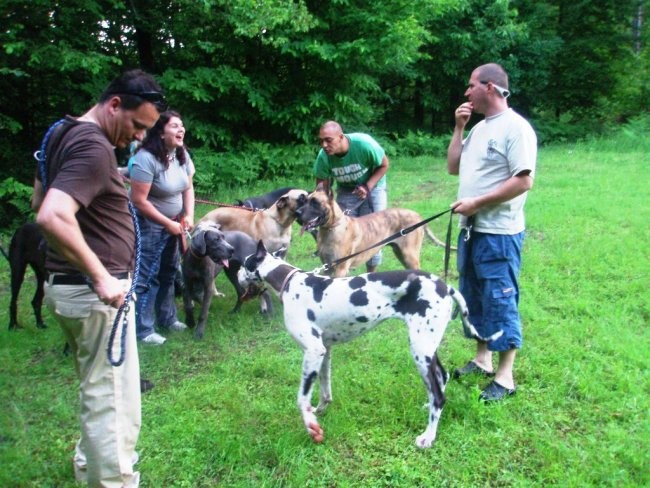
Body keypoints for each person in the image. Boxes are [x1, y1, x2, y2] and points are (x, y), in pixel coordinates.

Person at [33, 69, 165, 486]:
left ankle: (89, 467)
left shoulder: (62, 133)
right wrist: (102, 278)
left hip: (69, 290)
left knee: (96, 389)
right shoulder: (93, 146)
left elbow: (39, 196)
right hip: (96, 295)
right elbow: (51, 214)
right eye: (137, 125)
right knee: (114, 401)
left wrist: (108, 180)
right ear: (113, 105)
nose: (140, 137)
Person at [446, 63, 537, 402]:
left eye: (471, 85)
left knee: (500, 298)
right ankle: (482, 359)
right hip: (472, 230)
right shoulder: (480, 128)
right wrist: (459, 128)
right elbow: (453, 166)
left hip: (500, 232)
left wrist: (477, 203)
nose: (466, 92)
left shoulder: (516, 128)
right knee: (474, 296)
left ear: (491, 87)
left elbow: (523, 179)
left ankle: (505, 376)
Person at [129, 110, 195, 345]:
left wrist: (188, 215)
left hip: (175, 222)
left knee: (169, 272)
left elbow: (188, 187)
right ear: (160, 131)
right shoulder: (145, 158)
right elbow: (139, 200)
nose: (181, 130)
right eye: (175, 126)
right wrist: (167, 223)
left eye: (182, 125)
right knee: (147, 275)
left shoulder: (181, 155)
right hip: (149, 225)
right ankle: (143, 329)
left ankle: (167, 318)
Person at [313, 120, 389, 272]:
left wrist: (368, 186)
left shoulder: (364, 144)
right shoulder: (324, 156)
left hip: (374, 187)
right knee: (339, 231)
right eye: (321, 141)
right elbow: (322, 187)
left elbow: (384, 164)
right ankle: (337, 270)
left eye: (328, 140)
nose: (324, 145)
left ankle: (371, 275)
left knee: (373, 234)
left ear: (341, 137)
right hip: (346, 190)